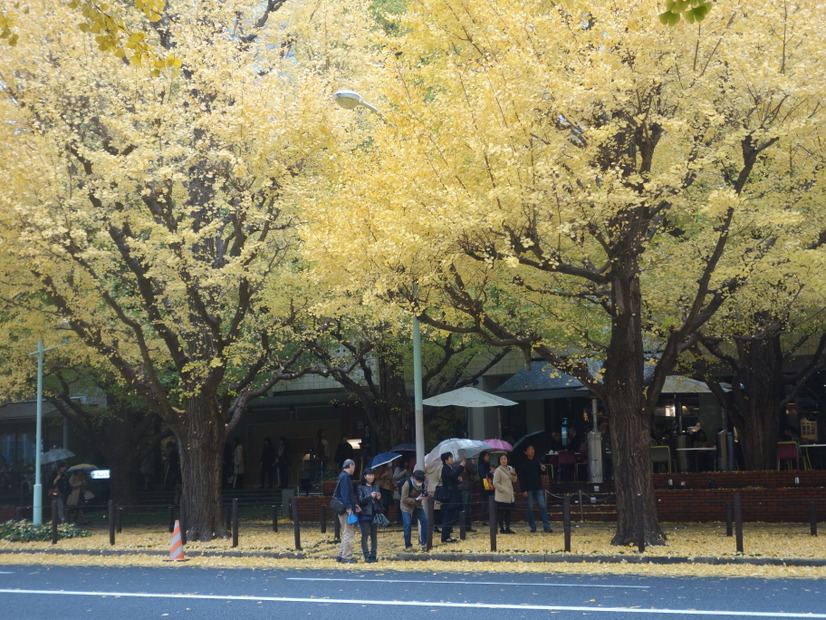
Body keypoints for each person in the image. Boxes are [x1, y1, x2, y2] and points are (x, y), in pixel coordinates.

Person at [515, 445, 552, 533]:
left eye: (533, 449)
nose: (532, 451)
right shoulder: (523, 463)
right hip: (528, 488)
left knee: (542, 506)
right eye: (530, 450)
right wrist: (523, 490)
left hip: (538, 487)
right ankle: (533, 526)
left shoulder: (537, 460)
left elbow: (541, 473)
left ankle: (546, 525)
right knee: (530, 508)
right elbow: (521, 477)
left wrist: (543, 469)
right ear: (526, 452)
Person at [356, 467, 383, 563]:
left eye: (372, 475)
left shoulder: (376, 487)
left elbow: (379, 503)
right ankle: (366, 555)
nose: (371, 477)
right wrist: (370, 496)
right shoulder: (360, 487)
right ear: (364, 476)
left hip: (374, 514)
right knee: (365, 535)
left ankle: (373, 555)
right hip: (364, 514)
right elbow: (361, 501)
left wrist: (378, 498)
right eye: (369, 475)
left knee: (374, 536)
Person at [334, 459, 358, 563]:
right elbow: (345, 494)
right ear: (351, 465)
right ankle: (346, 557)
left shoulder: (341, 476)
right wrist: (349, 507)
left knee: (345, 532)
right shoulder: (345, 477)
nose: (354, 469)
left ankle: (341, 555)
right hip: (345, 509)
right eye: (354, 467)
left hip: (342, 509)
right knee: (348, 532)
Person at [439, 452, 465, 543]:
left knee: (451, 516)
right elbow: (452, 475)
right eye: (450, 457)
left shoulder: (450, 468)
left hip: (452, 496)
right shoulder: (445, 468)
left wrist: (458, 479)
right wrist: (461, 467)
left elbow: (452, 478)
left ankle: (448, 535)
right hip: (449, 497)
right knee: (448, 516)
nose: (452, 459)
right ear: (446, 460)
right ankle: (445, 537)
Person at [400, 469, 429, 551]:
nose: (419, 482)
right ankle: (408, 545)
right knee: (408, 524)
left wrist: (425, 496)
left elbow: (423, 492)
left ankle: (424, 542)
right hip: (406, 506)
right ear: (414, 478)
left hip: (417, 505)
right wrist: (416, 499)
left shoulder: (423, 484)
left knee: (424, 520)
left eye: (421, 481)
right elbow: (404, 499)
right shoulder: (407, 484)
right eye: (418, 481)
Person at [492, 453, 517, 534]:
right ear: (499, 461)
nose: (503, 460)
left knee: (508, 512)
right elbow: (495, 483)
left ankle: (508, 528)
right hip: (501, 495)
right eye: (501, 459)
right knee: (501, 512)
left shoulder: (510, 468)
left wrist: (514, 474)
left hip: (509, 495)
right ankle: (501, 528)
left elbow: (514, 480)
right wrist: (504, 489)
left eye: (505, 459)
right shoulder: (498, 470)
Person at [458, 456, 477, 532]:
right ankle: (466, 526)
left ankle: (464, 526)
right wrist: (473, 464)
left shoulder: (456, 460)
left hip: (461, 486)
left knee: (464, 507)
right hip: (466, 486)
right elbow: (474, 471)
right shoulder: (466, 461)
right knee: (466, 508)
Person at [477, 450, 494, 525]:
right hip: (484, 486)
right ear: (483, 457)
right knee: (486, 503)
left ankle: (488, 518)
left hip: (489, 486)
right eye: (487, 455)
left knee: (488, 502)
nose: (488, 457)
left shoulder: (487, 465)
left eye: (488, 455)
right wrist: (490, 472)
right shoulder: (481, 465)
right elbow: (483, 475)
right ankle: (485, 519)